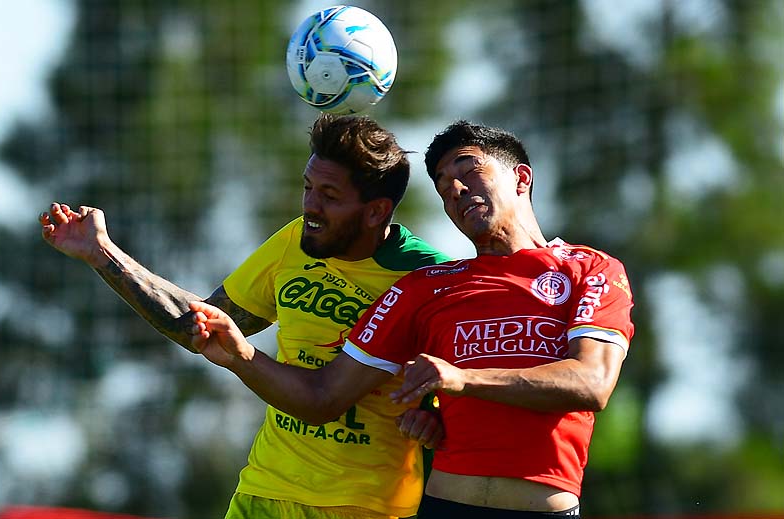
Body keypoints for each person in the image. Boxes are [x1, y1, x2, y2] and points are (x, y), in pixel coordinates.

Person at [189, 120, 635, 519]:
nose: (455, 190)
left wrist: (460, 381)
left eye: (468, 170)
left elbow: (591, 384)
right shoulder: (426, 286)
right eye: (443, 186)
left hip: (545, 508)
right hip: (444, 506)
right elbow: (323, 397)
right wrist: (242, 355)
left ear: (521, 178)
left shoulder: (589, 269)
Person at [40, 113, 451, 519]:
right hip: (262, 491)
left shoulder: (428, 277)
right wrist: (102, 253)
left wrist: (433, 413)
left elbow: (463, 383)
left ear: (376, 211)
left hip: (362, 506)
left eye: (330, 195)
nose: (311, 205)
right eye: (308, 187)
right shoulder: (296, 240)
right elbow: (201, 327)